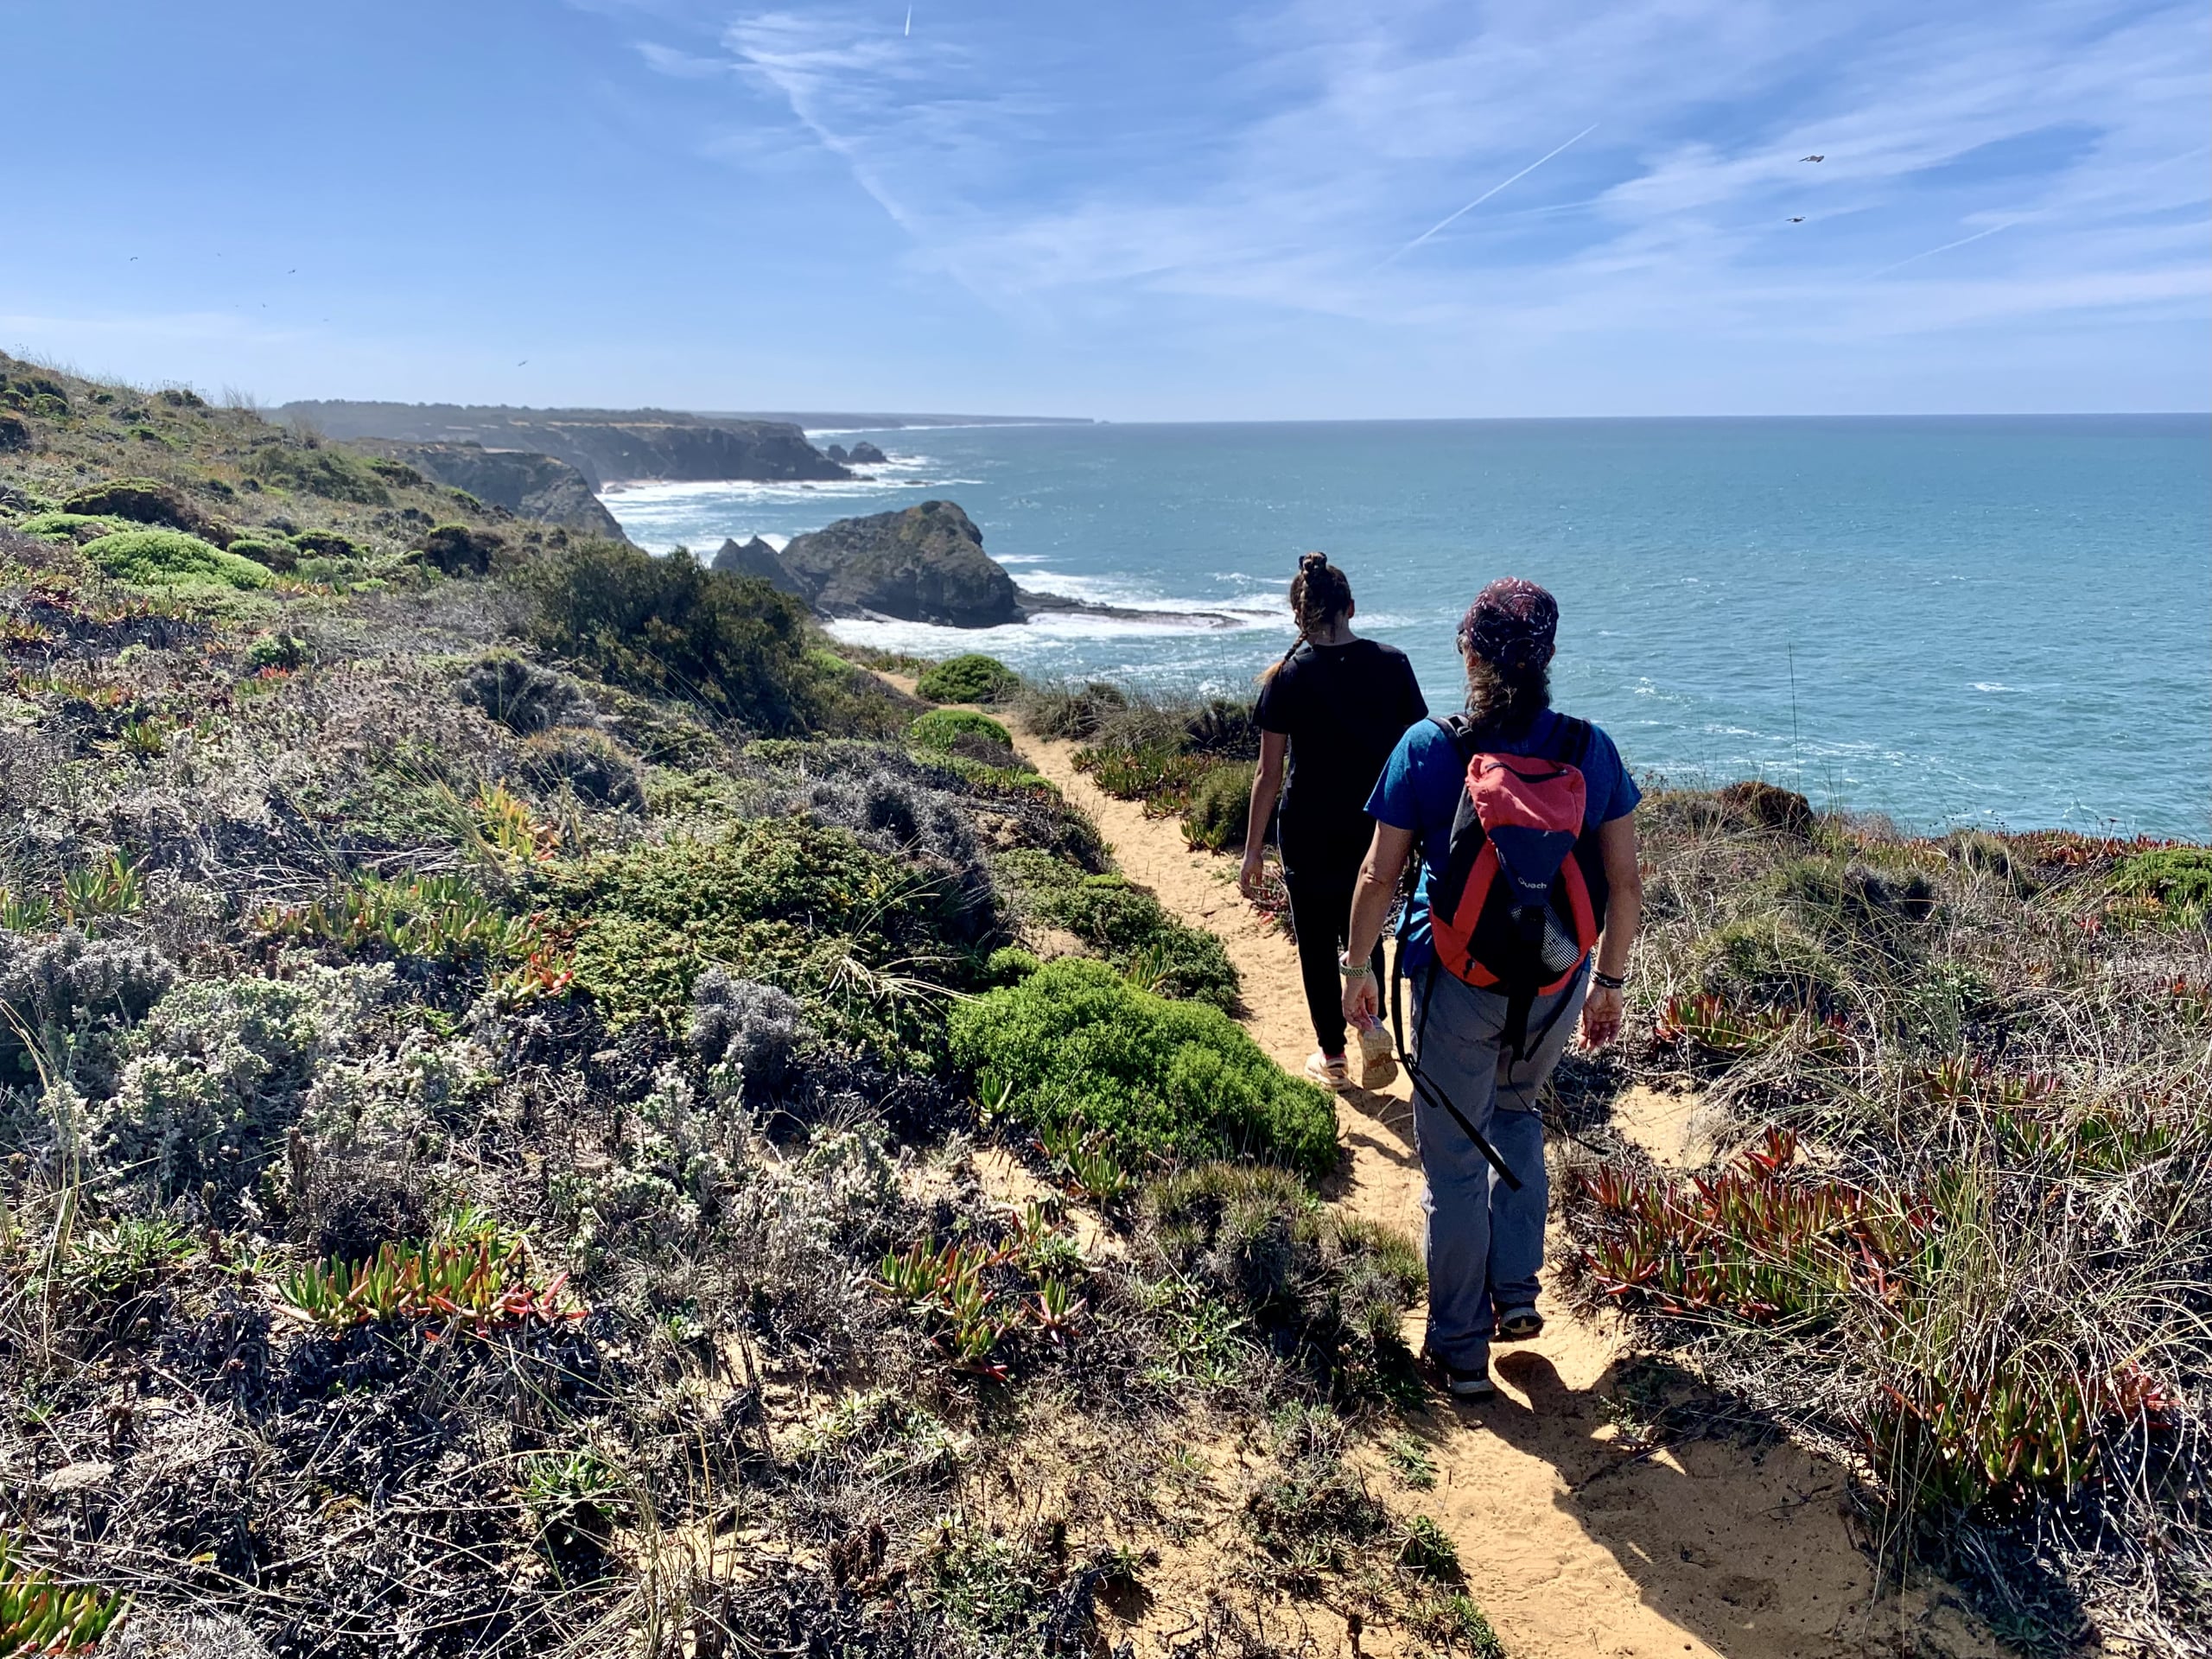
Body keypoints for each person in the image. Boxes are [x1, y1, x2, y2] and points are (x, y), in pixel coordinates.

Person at [1340, 577, 1643, 1401]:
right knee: (1517, 1116)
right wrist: (1608, 980)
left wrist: (1357, 965)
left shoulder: (1428, 747)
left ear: (1469, 651)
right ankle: (1516, 1296)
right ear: (1546, 657)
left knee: (1452, 1163)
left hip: (1456, 978)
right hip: (1555, 979)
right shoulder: (1592, 749)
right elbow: (1624, 883)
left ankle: (1461, 1350)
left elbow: (1378, 872)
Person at [1240, 552, 1428, 1091]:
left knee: (1316, 942)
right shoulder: (1393, 664)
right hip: (1377, 827)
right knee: (1366, 927)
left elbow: (1268, 775)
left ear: (1299, 615)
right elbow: (1419, 752)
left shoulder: (1286, 678)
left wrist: (1253, 851)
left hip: (1307, 830)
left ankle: (1334, 1055)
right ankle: (1372, 1023)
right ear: (1351, 607)